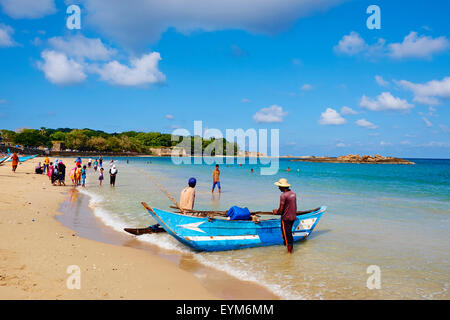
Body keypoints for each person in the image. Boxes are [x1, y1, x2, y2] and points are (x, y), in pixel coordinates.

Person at [272, 178, 297, 253]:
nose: (278, 187)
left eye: (279, 186)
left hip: (286, 218)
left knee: (286, 236)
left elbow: (281, 210)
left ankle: (289, 254)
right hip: (293, 217)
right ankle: (290, 251)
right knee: (289, 234)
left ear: (283, 187)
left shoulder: (283, 195)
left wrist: (276, 212)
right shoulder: (293, 193)